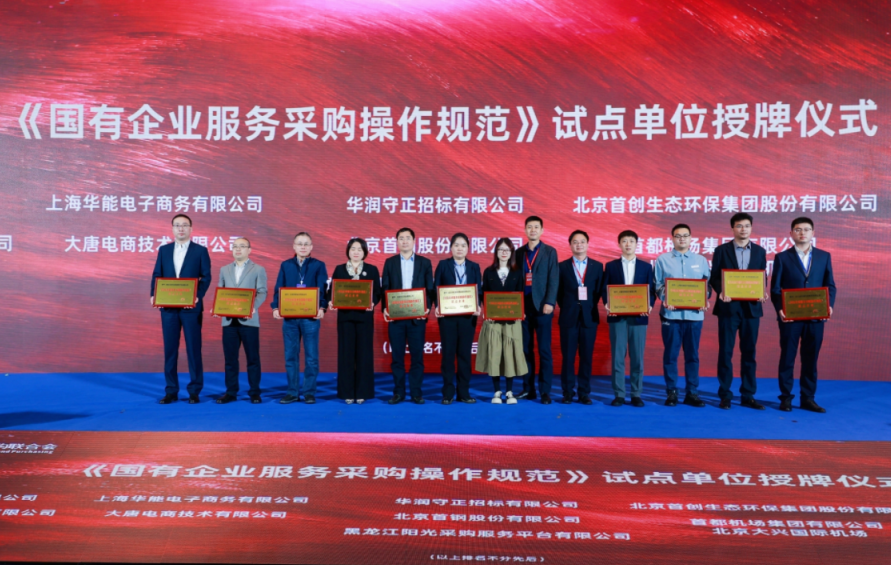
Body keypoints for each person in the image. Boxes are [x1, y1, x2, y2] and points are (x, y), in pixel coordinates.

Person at [770, 217, 836, 413]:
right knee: (787, 357)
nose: (802, 233)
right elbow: (775, 289)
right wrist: (780, 309)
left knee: (810, 358)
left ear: (813, 233)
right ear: (791, 233)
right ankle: (786, 398)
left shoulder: (824, 256)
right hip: (790, 317)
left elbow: (830, 285)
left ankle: (808, 398)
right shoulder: (782, 257)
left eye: (806, 229)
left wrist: (829, 306)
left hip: (815, 317)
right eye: (798, 229)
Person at [709, 213, 769, 410]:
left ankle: (748, 395)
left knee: (749, 353)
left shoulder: (760, 251)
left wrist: (762, 292)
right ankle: (725, 395)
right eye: (739, 226)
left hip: (751, 309)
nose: (743, 229)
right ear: (732, 228)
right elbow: (715, 277)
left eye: (747, 226)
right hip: (728, 308)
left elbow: (761, 276)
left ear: (751, 228)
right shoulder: (721, 250)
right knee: (726, 352)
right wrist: (721, 291)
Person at [151, 214, 211, 404]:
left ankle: (194, 390)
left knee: (193, 349)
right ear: (172, 229)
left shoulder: (200, 251)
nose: (181, 228)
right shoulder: (164, 250)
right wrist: (154, 294)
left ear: (191, 228)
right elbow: (157, 274)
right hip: (168, 308)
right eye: (177, 225)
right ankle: (171, 390)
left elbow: (206, 277)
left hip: (190, 308)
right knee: (170, 350)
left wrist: (197, 295)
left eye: (185, 225)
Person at [654, 223, 711, 407]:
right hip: (671, 315)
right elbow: (657, 284)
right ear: (672, 238)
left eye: (685, 235)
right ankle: (671, 391)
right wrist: (665, 298)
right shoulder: (662, 259)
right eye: (678, 236)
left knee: (692, 355)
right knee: (671, 355)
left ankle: (692, 393)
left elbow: (707, 285)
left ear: (691, 238)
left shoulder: (701, 260)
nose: (682, 239)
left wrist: (705, 298)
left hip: (694, 316)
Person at [271, 232, 328, 405]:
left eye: (306, 244)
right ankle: (292, 392)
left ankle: (309, 392)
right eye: (300, 244)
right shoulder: (285, 265)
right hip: (290, 318)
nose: (303, 247)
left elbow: (323, 288)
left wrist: (322, 307)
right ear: (294, 246)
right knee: (290, 356)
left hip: (310, 317)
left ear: (311, 247)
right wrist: (276, 307)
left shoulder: (318, 265)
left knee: (311, 357)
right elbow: (279, 287)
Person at [381, 227, 434, 404]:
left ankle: (416, 393)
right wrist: (385, 308)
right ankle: (398, 393)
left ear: (414, 241)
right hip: (396, 317)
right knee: (397, 357)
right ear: (397, 242)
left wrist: (426, 308)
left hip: (416, 318)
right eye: (401, 238)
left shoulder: (424, 263)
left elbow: (430, 289)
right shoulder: (390, 262)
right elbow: (385, 287)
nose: (404, 241)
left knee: (417, 357)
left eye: (408, 238)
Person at [603, 230, 655, 407]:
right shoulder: (611, 266)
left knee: (637, 357)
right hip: (617, 316)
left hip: (639, 316)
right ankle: (619, 394)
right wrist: (607, 303)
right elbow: (605, 288)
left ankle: (636, 394)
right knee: (618, 356)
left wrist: (649, 305)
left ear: (636, 244)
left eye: (631, 241)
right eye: (624, 241)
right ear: (619, 244)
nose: (628, 244)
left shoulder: (646, 267)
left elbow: (651, 291)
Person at [327, 238, 381, 404]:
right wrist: (331, 301)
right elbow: (332, 291)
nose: (356, 252)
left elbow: (377, 293)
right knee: (346, 354)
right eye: (353, 249)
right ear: (348, 251)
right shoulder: (340, 269)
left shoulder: (372, 269)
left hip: (365, 318)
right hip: (345, 318)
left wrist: (372, 302)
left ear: (365, 251)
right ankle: (347, 393)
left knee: (364, 354)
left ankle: (363, 392)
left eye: (359, 249)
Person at [214, 237, 268, 405]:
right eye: (235, 246)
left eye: (242, 246)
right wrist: (217, 308)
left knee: (253, 359)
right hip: (229, 321)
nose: (238, 249)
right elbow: (221, 292)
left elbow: (262, 292)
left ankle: (254, 392)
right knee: (230, 360)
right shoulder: (224, 269)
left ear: (249, 250)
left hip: (249, 321)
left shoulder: (258, 269)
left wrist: (252, 307)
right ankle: (231, 392)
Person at [556, 230, 604, 405]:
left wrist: (586, 305)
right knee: (568, 357)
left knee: (586, 357)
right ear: (570, 245)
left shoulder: (597, 266)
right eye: (575, 242)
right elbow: (558, 292)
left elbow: (598, 291)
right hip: (568, 316)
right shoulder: (562, 266)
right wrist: (570, 306)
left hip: (589, 317)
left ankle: (584, 393)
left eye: (582, 241)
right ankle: (568, 392)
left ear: (588, 244)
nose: (579, 245)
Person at [434, 233, 482, 404]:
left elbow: (479, 290)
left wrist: (478, 305)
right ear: (451, 248)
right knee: (448, 355)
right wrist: (437, 306)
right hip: (447, 318)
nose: (460, 248)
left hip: (467, 318)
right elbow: (436, 287)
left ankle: (464, 393)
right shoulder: (443, 265)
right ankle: (448, 393)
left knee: (464, 355)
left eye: (463, 245)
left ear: (468, 248)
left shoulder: (474, 267)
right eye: (456, 245)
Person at [477, 238, 527, 404]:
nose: (504, 253)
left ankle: (510, 391)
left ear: (511, 253)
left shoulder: (517, 272)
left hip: (512, 321)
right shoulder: (489, 272)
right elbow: (484, 294)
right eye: (500, 249)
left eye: (507, 250)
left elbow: (520, 294)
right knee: (495, 354)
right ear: (496, 252)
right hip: (494, 321)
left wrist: (521, 311)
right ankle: (497, 391)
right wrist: (486, 310)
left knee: (510, 355)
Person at [516, 215, 559, 404]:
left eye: (536, 227)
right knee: (525, 350)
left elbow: (554, 279)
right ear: (525, 230)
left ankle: (545, 391)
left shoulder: (550, 251)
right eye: (529, 227)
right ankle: (528, 389)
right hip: (523, 308)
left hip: (543, 307)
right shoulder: (518, 253)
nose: (532, 230)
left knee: (544, 350)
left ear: (542, 230)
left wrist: (550, 302)